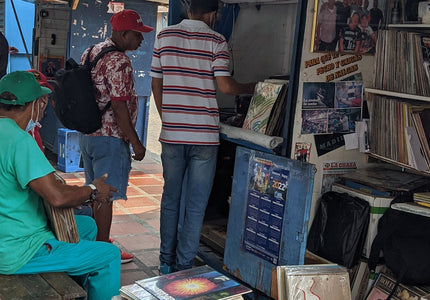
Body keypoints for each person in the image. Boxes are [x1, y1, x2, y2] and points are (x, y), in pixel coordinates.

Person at [150, 0, 256, 274]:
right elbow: (225, 86)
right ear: (212, 13)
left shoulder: (164, 36)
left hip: (172, 135)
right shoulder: (216, 40)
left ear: (188, 9)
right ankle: (184, 265)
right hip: (204, 137)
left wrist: (168, 118)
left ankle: (165, 262)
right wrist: (257, 86)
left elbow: (156, 82)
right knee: (196, 205)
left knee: (170, 198)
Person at [0, 71, 121, 300]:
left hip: (8, 231)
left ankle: (75, 290)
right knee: (109, 255)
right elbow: (57, 197)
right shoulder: (19, 140)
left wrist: (75, 195)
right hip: (16, 251)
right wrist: (93, 190)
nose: (44, 110)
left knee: (87, 226)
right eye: (42, 103)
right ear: (33, 105)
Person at [79, 9, 153, 263]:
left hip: (89, 135)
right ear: (123, 34)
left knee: (93, 192)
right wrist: (136, 143)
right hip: (109, 138)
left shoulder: (91, 51)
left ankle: (91, 243)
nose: (141, 40)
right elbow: (120, 106)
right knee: (105, 196)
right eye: (138, 35)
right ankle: (101, 252)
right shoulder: (119, 61)